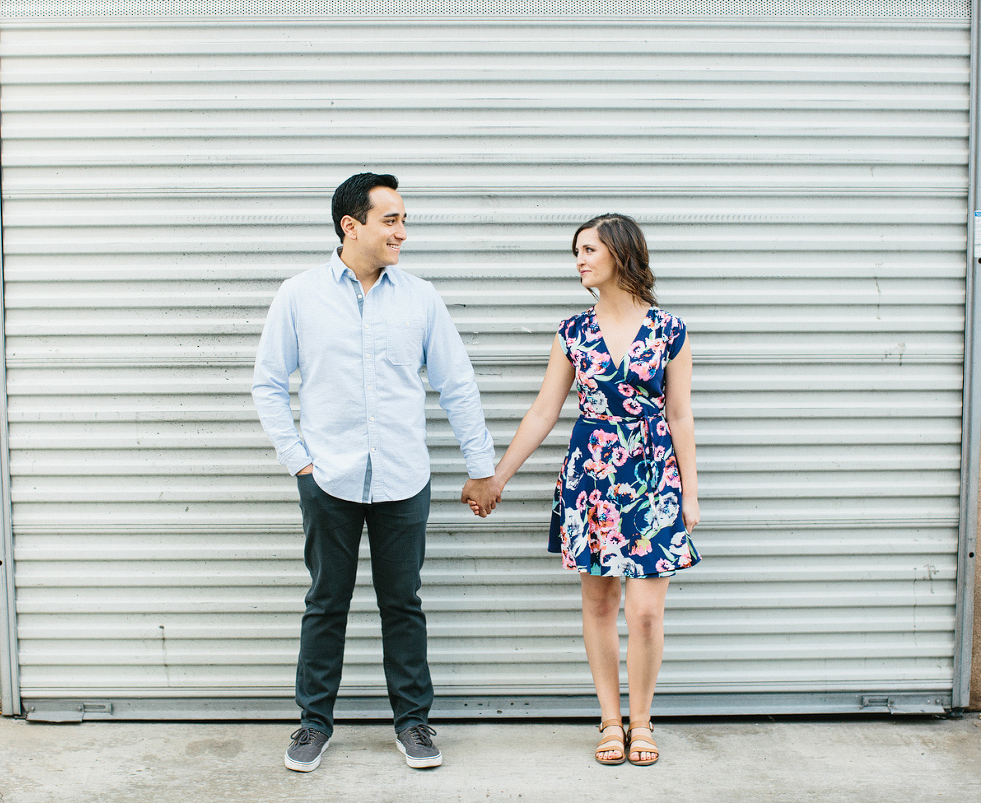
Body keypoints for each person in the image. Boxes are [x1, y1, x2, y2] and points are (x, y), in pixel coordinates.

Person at [252, 173, 500, 773]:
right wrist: (301, 463)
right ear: (351, 225)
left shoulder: (420, 297)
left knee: (403, 604)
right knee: (325, 602)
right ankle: (313, 724)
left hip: (403, 477)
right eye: (391, 220)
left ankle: (413, 723)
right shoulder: (299, 295)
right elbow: (267, 384)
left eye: (402, 219)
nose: (402, 232)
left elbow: (457, 385)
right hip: (328, 478)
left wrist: (481, 466)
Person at [470, 213, 700, 766]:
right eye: (576, 250)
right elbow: (545, 410)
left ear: (620, 253)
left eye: (589, 249)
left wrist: (690, 493)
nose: (579, 260)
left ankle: (642, 720)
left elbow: (682, 415)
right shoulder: (572, 332)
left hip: (651, 477)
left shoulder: (669, 330)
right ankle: (611, 721)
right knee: (600, 600)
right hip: (592, 476)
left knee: (645, 611)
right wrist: (497, 477)